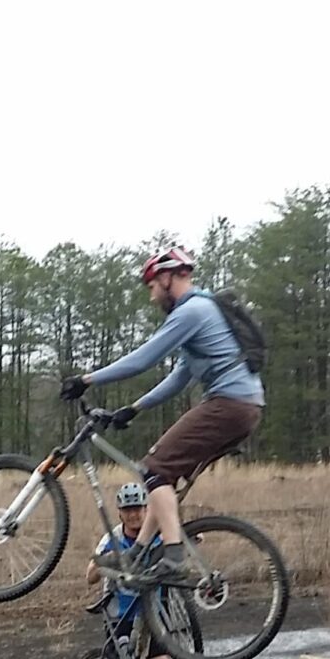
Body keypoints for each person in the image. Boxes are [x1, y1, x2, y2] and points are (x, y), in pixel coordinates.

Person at [60, 247, 264, 586]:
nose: (152, 295)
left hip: (229, 404)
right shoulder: (204, 312)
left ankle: (172, 555)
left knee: (153, 470)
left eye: (153, 286)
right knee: (161, 480)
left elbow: (143, 359)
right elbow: (179, 377)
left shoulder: (192, 311)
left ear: (169, 278)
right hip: (245, 407)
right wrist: (134, 408)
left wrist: (86, 380)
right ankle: (139, 554)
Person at [85, 481, 173, 659]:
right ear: (120, 514)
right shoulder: (111, 538)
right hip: (120, 612)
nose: (134, 515)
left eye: (138, 508)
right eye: (128, 510)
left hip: (154, 609)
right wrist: (108, 559)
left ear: (147, 509)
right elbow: (90, 577)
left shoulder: (159, 530)